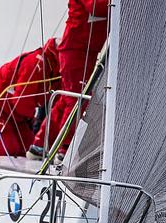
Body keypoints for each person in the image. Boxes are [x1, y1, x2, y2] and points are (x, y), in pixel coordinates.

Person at [27, 0, 109, 160]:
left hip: (86, 52)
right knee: (77, 101)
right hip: (76, 51)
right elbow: (96, 7)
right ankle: (65, 149)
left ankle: (40, 144)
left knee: (67, 100)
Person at [0, 38, 60, 157]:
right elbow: (22, 102)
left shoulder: (55, 70)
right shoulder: (36, 64)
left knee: (28, 147)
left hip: (15, 111)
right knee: (5, 150)